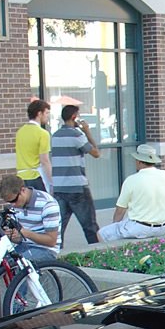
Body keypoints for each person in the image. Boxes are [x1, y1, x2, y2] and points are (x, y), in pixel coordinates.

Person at [97, 144, 165, 241]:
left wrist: (114, 225)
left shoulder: (131, 180)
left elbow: (120, 210)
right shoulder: (164, 175)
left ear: (139, 161)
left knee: (102, 233)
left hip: (140, 228)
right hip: (163, 227)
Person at [51, 104, 101, 245]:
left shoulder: (55, 136)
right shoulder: (77, 135)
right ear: (74, 117)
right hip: (77, 188)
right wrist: (87, 132)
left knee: (59, 228)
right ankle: (97, 251)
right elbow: (96, 153)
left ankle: (57, 254)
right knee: (90, 226)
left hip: (59, 188)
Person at [0, 174, 60, 262]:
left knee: (14, 263)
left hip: (46, 249)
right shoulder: (16, 205)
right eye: (9, 202)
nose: (13, 205)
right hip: (24, 246)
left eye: (14, 200)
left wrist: (26, 233)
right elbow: (20, 239)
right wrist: (12, 236)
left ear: (23, 190)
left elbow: (51, 241)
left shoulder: (47, 204)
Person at [16, 99, 53, 193]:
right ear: (39, 113)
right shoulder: (43, 133)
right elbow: (45, 161)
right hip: (36, 177)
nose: (48, 116)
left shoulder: (20, 132)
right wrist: (52, 181)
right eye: (46, 113)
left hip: (21, 177)